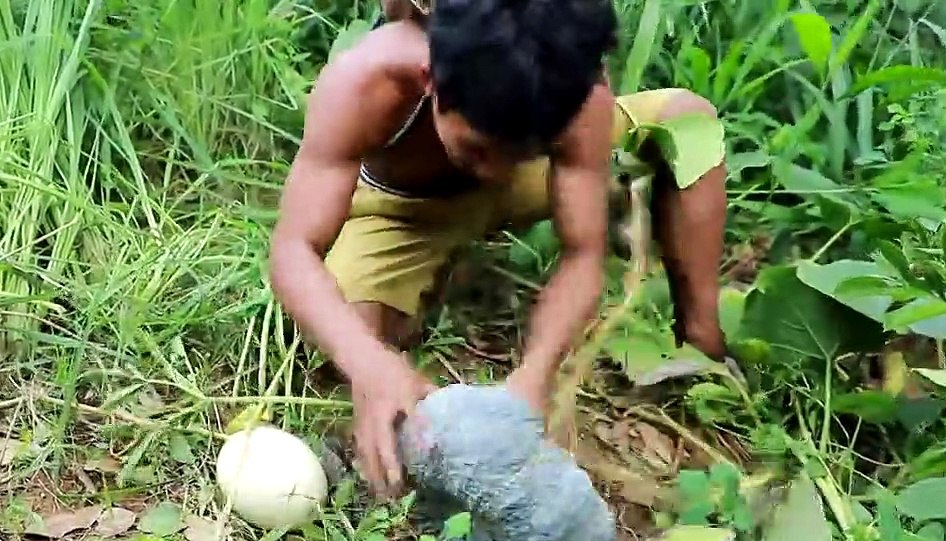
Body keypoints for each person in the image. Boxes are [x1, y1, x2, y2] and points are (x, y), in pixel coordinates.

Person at [267, 0, 729, 499]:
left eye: (522, 152)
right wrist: (369, 362)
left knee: (688, 120)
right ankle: (438, 273)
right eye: (477, 150)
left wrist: (535, 375)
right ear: (432, 83)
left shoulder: (572, 92)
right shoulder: (366, 80)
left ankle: (704, 339)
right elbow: (294, 249)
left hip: (543, 184)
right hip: (407, 211)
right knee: (354, 332)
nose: (495, 170)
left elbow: (582, 256)